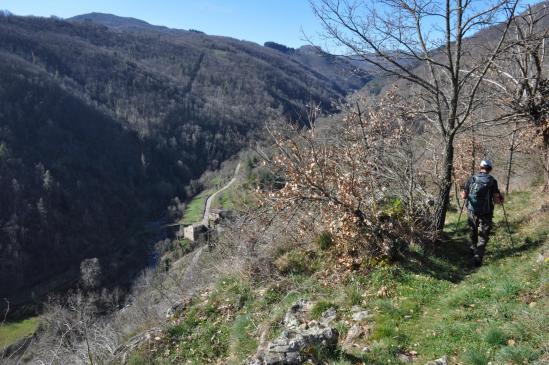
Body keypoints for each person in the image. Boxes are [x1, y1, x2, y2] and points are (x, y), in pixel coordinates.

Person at [460, 160, 504, 266]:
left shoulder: (472, 178)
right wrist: (502, 197)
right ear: (490, 169)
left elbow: (464, 196)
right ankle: (478, 257)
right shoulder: (492, 181)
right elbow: (497, 200)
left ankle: (472, 249)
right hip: (486, 212)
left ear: (480, 168)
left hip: (472, 211)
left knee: (473, 230)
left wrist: (462, 192)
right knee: (483, 235)